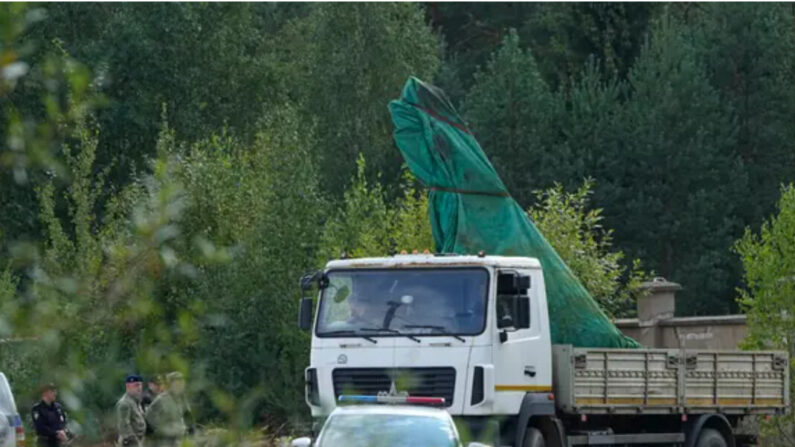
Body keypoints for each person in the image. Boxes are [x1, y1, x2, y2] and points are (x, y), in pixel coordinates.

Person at [145, 372, 188, 447]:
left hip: (178, 440)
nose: (180, 386)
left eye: (181, 383)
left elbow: (183, 417)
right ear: (171, 384)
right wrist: (163, 430)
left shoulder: (181, 399)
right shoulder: (162, 399)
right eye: (177, 383)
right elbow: (149, 416)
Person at [115, 375, 146, 447]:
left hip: (139, 440)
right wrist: (135, 442)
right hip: (130, 443)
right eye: (136, 385)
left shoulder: (135, 401)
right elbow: (124, 425)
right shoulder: (125, 403)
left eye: (140, 385)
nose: (139, 388)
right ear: (128, 386)